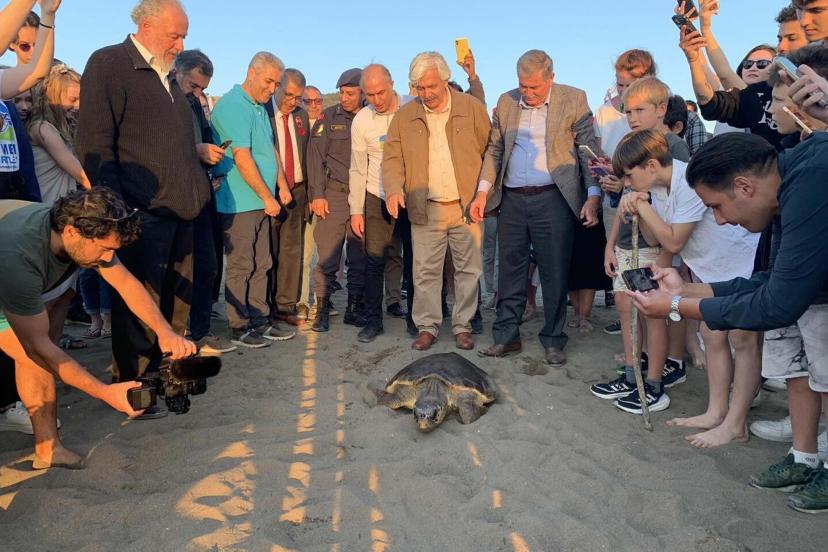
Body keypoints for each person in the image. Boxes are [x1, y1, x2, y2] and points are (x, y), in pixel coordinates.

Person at [629, 131, 828, 513]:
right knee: (800, 370)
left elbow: (776, 305)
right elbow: (767, 281)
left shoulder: (811, 183)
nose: (719, 220)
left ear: (744, 186)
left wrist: (677, 305)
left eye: (717, 207)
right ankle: (804, 458)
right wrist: (687, 290)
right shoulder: (787, 186)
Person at [0, 187, 196, 469]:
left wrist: (164, 332)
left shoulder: (82, 232)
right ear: (71, 232)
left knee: (38, 358)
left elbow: (126, 284)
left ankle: (48, 449)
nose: (107, 259)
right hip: (7, 267)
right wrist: (106, 392)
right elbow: (38, 348)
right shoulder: (20, 258)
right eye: (105, 249)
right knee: (37, 353)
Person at [76, 0, 210, 406]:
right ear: (147, 26)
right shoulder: (109, 64)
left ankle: (172, 374)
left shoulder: (169, 77)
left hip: (183, 211)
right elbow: (95, 146)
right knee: (140, 301)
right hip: (139, 212)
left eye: (184, 36)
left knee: (177, 301)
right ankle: (136, 385)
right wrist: (117, 215)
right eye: (175, 35)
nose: (180, 45)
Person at [472, 49, 600, 366]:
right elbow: (495, 149)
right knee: (510, 269)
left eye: (534, 87)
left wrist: (593, 195)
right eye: (523, 86)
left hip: (553, 196)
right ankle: (506, 336)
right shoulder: (506, 102)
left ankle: (554, 340)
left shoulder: (574, 99)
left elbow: (587, 150)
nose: (527, 94)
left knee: (554, 269)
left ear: (551, 78)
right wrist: (482, 192)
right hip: (512, 198)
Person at [383, 51, 490, 351]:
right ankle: (427, 327)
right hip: (425, 207)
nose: (426, 93)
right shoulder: (405, 116)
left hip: (465, 206)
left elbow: (490, 149)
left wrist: (484, 192)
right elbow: (392, 157)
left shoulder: (471, 108)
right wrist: (393, 188)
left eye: (431, 86)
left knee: (468, 270)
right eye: (419, 87)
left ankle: (463, 325)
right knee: (425, 271)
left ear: (445, 80)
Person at [211, 52, 295, 348]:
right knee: (241, 266)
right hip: (240, 203)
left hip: (262, 202)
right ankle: (240, 326)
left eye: (276, 84)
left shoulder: (259, 108)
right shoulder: (233, 105)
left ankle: (261, 320)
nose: (273, 89)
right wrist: (266, 195)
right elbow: (242, 157)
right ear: (251, 73)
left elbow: (270, 150)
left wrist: (281, 185)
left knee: (263, 263)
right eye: (269, 81)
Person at [172, 49, 235, 355]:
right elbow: (162, 146)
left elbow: (201, 139)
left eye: (203, 89)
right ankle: (178, 335)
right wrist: (194, 150)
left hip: (200, 194)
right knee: (180, 272)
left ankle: (200, 331)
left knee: (208, 267)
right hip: (173, 199)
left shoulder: (194, 103)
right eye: (193, 85)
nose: (197, 93)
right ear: (176, 72)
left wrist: (209, 155)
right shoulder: (164, 100)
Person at [348, 64, 413, 342]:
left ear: (392, 84)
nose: (377, 99)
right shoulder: (362, 119)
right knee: (374, 260)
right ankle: (374, 322)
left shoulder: (412, 107)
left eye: (382, 92)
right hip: (377, 195)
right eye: (371, 94)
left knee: (414, 259)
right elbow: (357, 168)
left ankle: (416, 320)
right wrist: (356, 210)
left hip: (411, 195)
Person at [307, 68, 367, 332]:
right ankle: (322, 308)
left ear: (363, 93)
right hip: (334, 194)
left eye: (350, 93)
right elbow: (315, 159)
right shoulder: (329, 117)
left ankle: (353, 308)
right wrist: (318, 195)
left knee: (359, 255)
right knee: (328, 254)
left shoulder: (371, 118)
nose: (344, 98)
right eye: (342, 93)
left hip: (362, 197)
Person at [265, 68, 309, 327]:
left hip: (298, 190)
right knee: (268, 249)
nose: (292, 101)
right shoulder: (263, 112)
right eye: (289, 95)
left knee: (292, 250)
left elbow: (308, 154)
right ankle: (266, 306)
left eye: (298, 97)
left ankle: (285, 305)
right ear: (277, 87)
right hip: (270, 190)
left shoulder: (301, 116)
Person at [27, 64, 90, 204]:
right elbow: (81, 175)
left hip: (59, 206)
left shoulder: (65, 128)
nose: (78, 106)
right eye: (73, 99)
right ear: (53, 97)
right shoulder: (42, 128)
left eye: (82, 99)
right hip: (45, 207)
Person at [297, 85, 325, 318]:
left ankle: (323, 300)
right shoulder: (297, 128)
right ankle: (302, 301)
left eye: (318, 101)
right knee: (305, 255)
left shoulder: (328, 126)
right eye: (308, 101)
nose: (314, 105)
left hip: (326, 198)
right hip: (304, 199)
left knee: (325, 255)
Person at [0, 2, 57, 100]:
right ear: (11, 44)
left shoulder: (58, 75)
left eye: (37, 45)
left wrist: (48, 15)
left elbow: (37, 72)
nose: (33, 52)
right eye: (25, 46)